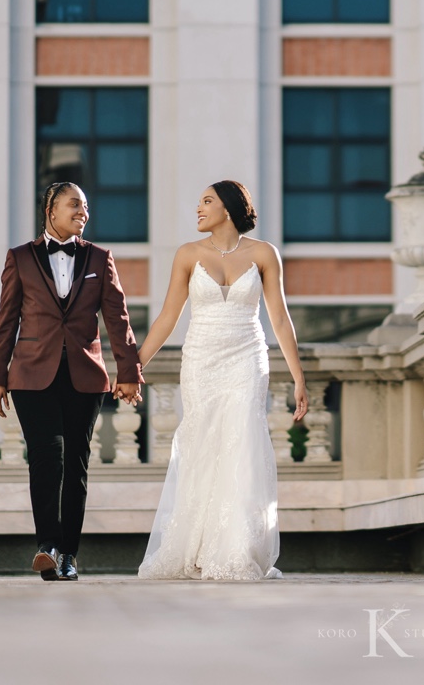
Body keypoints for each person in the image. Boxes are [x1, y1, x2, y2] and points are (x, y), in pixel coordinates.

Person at [136, 180, 308, 580]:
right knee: (203, 445)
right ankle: (195, 548)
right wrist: (135, 366)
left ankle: (235, 547)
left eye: (206, 201)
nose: (198, 209)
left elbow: (279, 319)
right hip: (201, 360)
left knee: (242, 444)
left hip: (247, 358)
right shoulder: (187, 254)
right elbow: (167, 317)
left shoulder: (265, 253)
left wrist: (299, 377)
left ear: (228, 209)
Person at [0, 182, 144, 582]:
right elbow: (7, 320)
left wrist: (129, 373)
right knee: (45, 457)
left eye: (86, 207)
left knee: (76, 462)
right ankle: (47, 546)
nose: (83, 212)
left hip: (85, 377)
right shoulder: (20, 258)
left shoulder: (100, 258)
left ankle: (69, 554)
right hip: (30, 375)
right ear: (51, 210)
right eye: (75, 205)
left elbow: (118, 320)